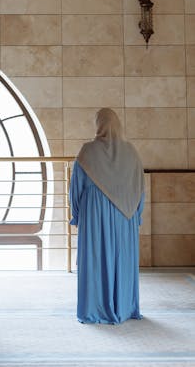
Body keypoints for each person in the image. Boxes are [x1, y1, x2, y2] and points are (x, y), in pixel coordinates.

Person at [69, 107, 144, 324]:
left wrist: (77, 214)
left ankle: (95, 309)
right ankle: (123, 307)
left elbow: (76, 188)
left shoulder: (87, 151)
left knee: (95, 259)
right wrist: (136, 215)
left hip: (94, 215)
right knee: (122, 259)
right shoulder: (132, 152)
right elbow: (141, 187)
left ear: (99, 124)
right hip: (125, 216)